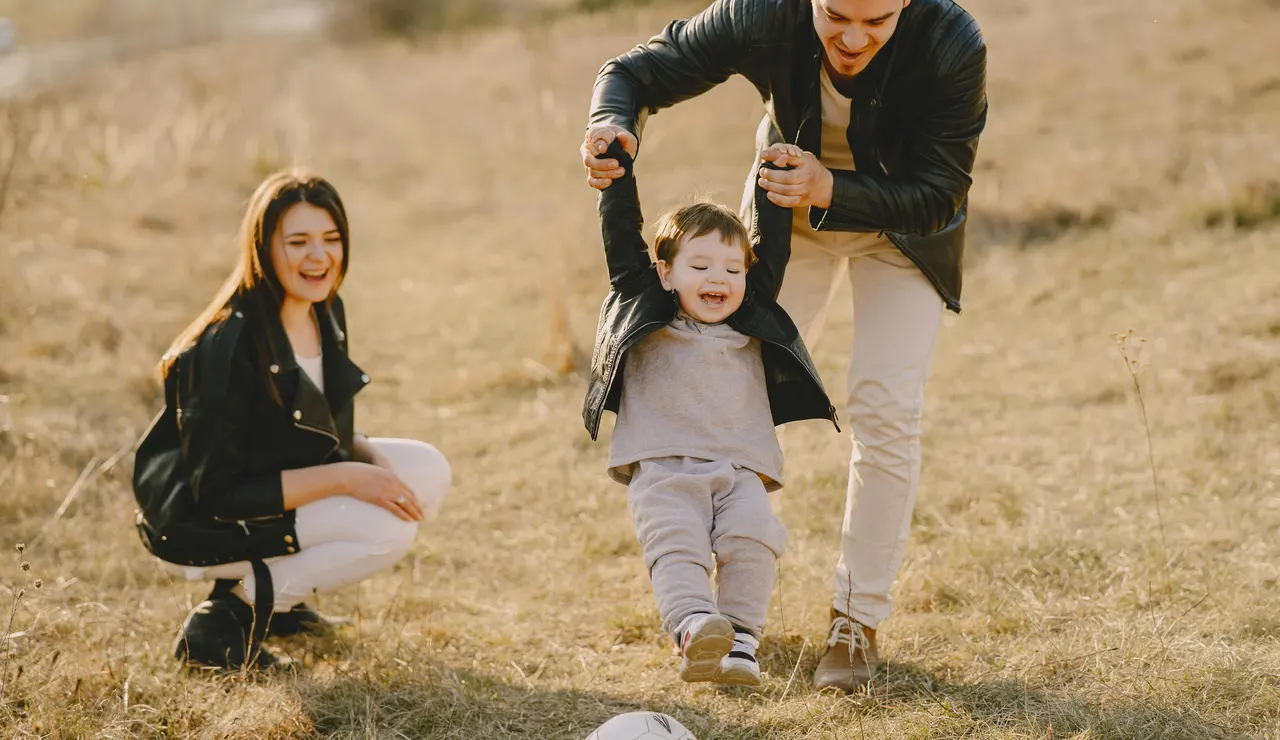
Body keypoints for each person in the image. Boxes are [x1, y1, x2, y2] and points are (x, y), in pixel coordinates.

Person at [580, 0, 987, 691]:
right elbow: (634, 73)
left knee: (885, 410)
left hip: (904, 231)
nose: (853, 38)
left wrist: (832, 185)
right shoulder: (762, 13)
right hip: (782, 227)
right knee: (734, 392)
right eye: (836, 16)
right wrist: (608, 123)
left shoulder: (952, 40)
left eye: (878, 21)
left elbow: (942, 193)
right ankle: (713, 613)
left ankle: (855, 621)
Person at [132, 169, 451, 670]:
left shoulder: (324, 310)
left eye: (331, 239)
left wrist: (364, 451)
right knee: (387, 532)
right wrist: (349, 476)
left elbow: (300, 429)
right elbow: (216, 492)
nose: (319, 257)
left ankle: (280, 606)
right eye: (298, 241)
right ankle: (226, 618)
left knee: (427, 470)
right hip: (201, 522)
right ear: (264, 248)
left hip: (263, 495)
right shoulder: (226, 347)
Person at [585, 140, 837, 686]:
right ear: (666, 273)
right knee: (677, 547)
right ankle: (696, 629)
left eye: (731, 268)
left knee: (753, 542)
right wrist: (616, 172)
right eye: (699, 265)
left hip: (740, 467)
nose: (717, 279)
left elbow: (772, 245)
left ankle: (741, 641)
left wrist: (776, 170)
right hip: (663, 467)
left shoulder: (751, 318)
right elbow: (621, 240)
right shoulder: (645, 305)